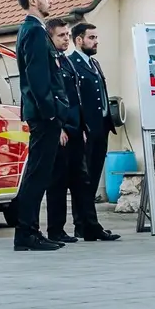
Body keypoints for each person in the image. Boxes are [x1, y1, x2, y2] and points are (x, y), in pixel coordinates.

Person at [12, 0, 66, 252]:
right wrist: (50, 113)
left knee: (39, 173)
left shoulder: (33, 31)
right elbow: (37, 78)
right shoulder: (33, 32)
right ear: (33, 1)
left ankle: (30, 231)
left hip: (43, 113)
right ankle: (26, 233)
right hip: (44, 115)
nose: (50, 0)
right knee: (37, 174)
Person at [44, 18, 97, 243]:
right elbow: (50, 96)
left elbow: (75, 99)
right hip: (62, 130)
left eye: (67, 35)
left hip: (76, 129)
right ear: (50, 38)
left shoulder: (66, 62)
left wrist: (82, 126)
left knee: (82, 181)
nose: (66, 39)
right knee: (57, 183)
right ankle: (56, 230)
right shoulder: (49, 62)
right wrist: (58, 127)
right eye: (61, 35)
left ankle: (88, 227)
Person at [68, 22, 121, 241]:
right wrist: (79, 126)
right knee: (84, 179)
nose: (96, 41)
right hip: (86, 129)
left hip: (101, 127)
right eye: (91, 37)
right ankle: (87, 224)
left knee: (93, 175)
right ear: (79, 40)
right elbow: (73, 99)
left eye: (96, 37)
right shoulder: (71, 64)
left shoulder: (94, 63)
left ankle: (85, 225)